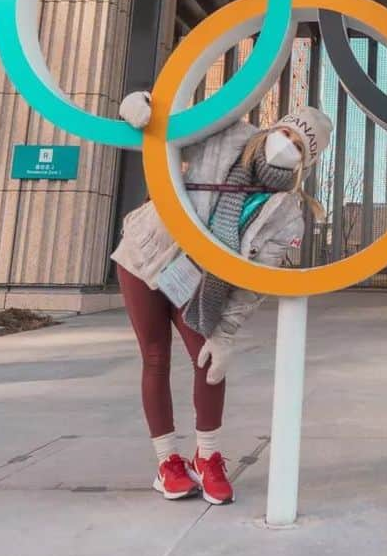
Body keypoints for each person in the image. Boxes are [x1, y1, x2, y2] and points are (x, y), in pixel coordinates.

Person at [111, 91, 331, 505]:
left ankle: (208, 457)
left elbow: (255, 279)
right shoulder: (229, 135)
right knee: (154, 357)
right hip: (145, 253)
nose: (286, 143)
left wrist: (225, 332)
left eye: (300, 145)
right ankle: (168, 463)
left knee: (207, 361)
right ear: (274, 125)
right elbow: (171, 133)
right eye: (286, 131)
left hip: (198, 283)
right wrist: (141, 107)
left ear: (307, 162)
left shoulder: (286, 212)